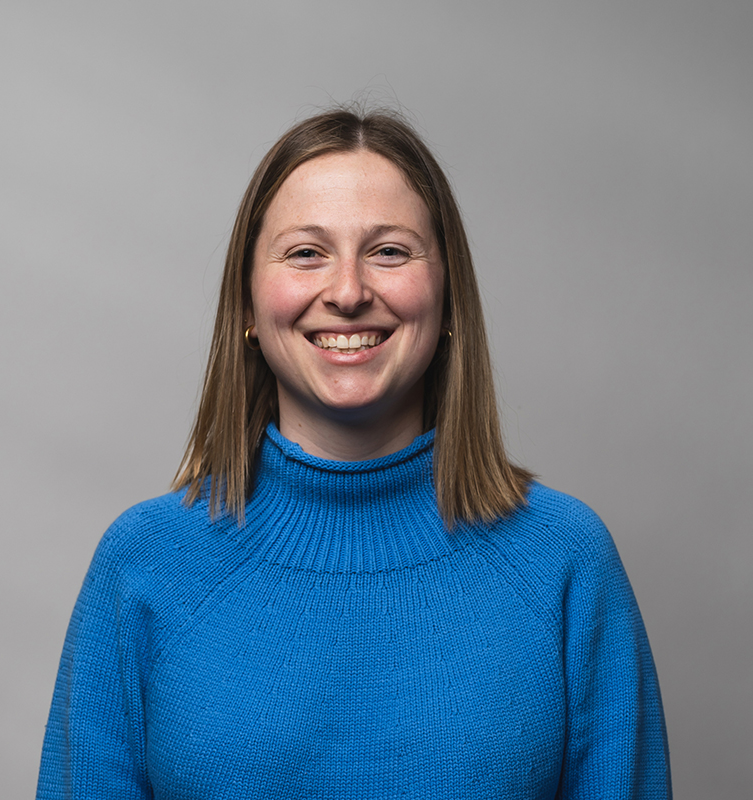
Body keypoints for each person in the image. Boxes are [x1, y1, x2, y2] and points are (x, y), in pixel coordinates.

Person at [37, 109, 672, 799]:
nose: (347, 293)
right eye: (306, 253)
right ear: (248, 305)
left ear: (449, 296)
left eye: (390, 252)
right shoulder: (143, 567)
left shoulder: (565, 563)